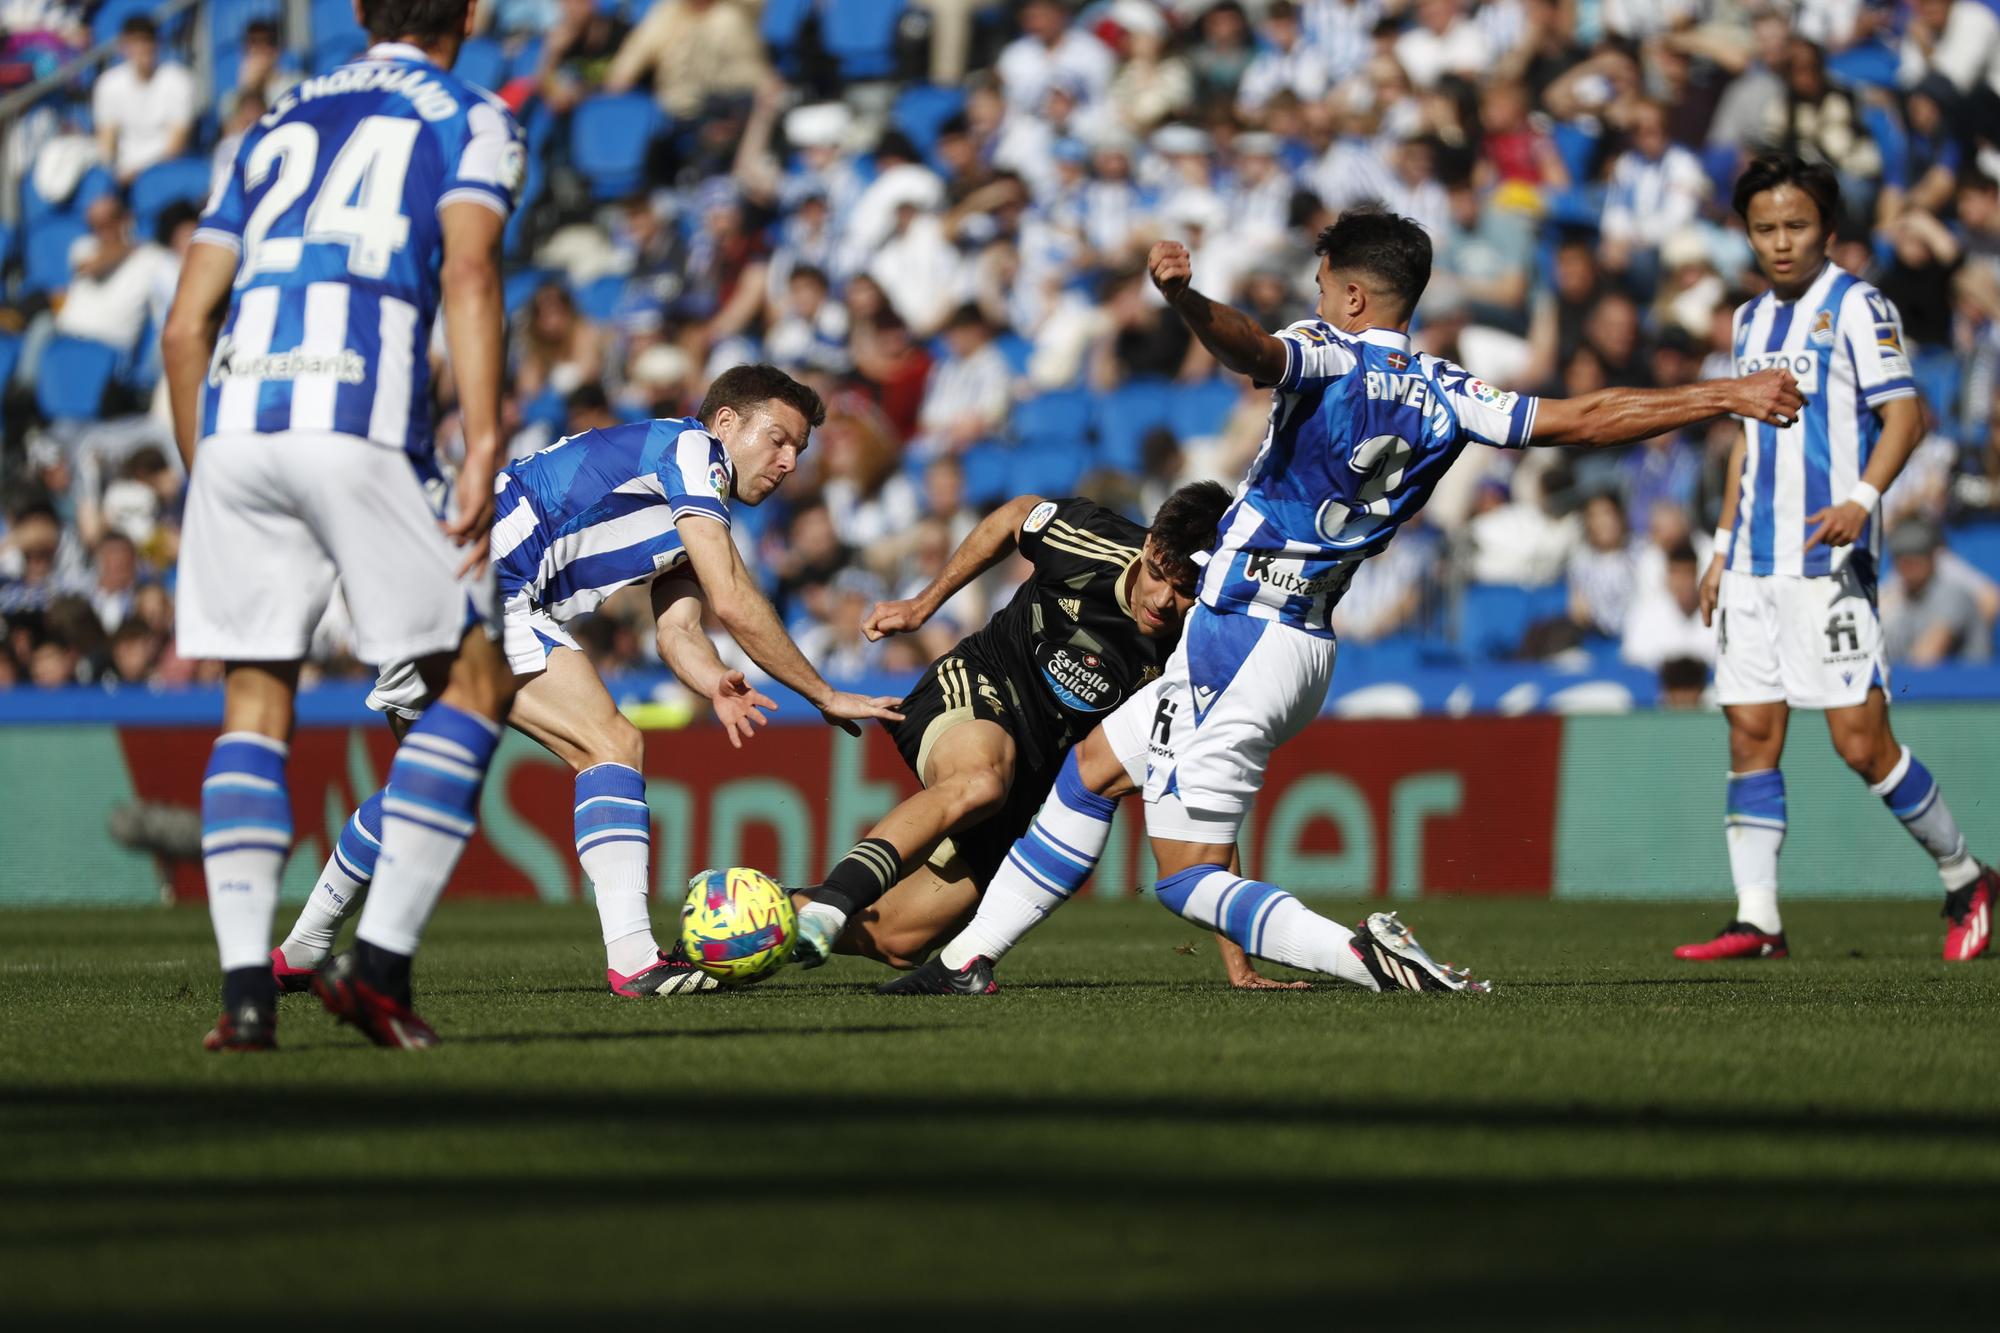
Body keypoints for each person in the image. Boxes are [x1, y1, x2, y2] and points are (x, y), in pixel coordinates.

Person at [892, 206, 1804, 996]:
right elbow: (1585, 416)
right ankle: (968, 957)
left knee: (1185, 881)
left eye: (1325, 284)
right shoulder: (1451, 392)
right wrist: (1723, 393)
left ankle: (1366, 958)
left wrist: (1184, 299)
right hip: (1302, 643)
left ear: (1354, 297)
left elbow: (1253, 349)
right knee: (1091, 767)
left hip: (1243, 635)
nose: (1318, 297)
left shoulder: (1326, 353)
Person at [270, 366, 903, 999]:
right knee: (611, 743)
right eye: (779, 439)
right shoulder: (693, 451)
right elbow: (733, 600)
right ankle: (632, 957)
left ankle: (301, 950)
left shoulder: (691, 505)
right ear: (727, 422)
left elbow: (679, 630)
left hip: (432, 578)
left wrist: (712, 678)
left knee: (424, 791)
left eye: (799, 448)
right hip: (484, 584)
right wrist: (821, 691)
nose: (790, 461)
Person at [160, 0, 530, 1051]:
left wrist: (209, 472)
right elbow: (467, 268)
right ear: (469, 13)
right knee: (473, 683)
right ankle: (376, 967)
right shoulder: (473, 115)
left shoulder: (274, 119)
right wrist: (485, 437)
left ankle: (243, 997)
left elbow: (186, 323)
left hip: (236, 421)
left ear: (361, 12)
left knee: (254, 699)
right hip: (358, 415)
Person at [774, 481, 1294, 989]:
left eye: (1184, 591)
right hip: (976, 688)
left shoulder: (1198, 644)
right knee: (979, 780)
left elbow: (1204, 791)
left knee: (899, 939)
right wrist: (922, 605)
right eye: (1158, 574)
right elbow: (1015, 514)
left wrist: (1237, 962)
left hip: (1031, 775)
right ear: (1151, 545)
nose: (1161, 600)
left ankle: (754, 914)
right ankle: (835, 901)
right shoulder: (1089, 539)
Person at [1685, 153, 1997, 965]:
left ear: (1827, 228)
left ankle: (1966, 875)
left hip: (1829, 558)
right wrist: (1719, 548)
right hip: (1752, 560)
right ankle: (1759, 921)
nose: (1780, 242)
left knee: (1861, 744)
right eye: (1764, 229)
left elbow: (1906, 417)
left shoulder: (1859, 306)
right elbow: (1745, 448)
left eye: (1795, 226)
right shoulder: (1749, 321)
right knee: (1750, 731)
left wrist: (1861, 499)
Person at [91, 15, 196, 185]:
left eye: (147, 41)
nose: (142, 49)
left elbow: (176, 145)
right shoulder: (108, 84)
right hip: (123, 173)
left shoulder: (179, 80)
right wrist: (115, 174)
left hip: (167, 170)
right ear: (123, 47)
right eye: (135, 42)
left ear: (157, 44)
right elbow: (106, 143)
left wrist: (140, 173)